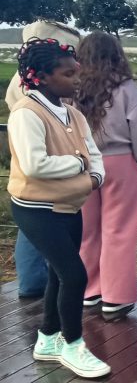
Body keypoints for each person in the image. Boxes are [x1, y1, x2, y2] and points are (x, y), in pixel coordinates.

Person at [6, 37, 109, 377]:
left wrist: (94, 176)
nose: (77, 79)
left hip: (69, 205)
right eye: (68, 74)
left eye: (76, 72)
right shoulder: (26, 113)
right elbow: (35, 165)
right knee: (74, 274)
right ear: (41, 77)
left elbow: (94, 154)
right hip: (37, 207)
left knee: (57, 274)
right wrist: (80, 165)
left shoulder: (74, 114)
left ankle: (48, 338)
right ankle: (73, 345)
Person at [73, 32, 137, 318]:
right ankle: (115, 297)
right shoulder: (126, 87)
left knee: (86, 231)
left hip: (82, 164)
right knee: (119, 230)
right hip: (120, 162)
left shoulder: (73, 89)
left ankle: (89, 291)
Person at [6, 20, 82, 298]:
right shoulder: (40, 84)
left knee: (31, 225)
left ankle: (32, 282)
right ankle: (39, 284)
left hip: (28, 159)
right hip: (51, 157)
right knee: (45, 221)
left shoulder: (21, 76)